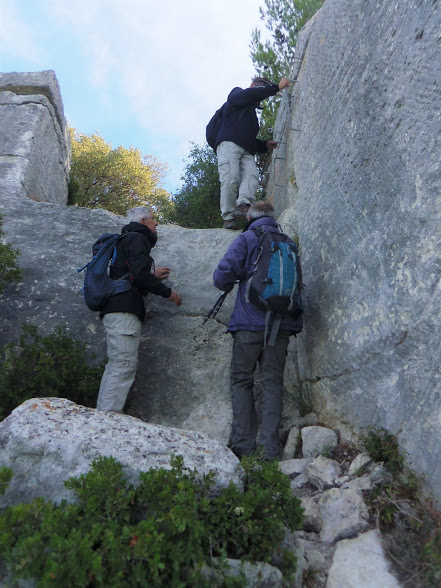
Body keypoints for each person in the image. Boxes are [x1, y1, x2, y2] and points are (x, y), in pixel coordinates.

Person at [213, 201, 303, 459]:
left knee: (242, 381)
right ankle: (270, 450)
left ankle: (243, 447)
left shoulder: (247, 238)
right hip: (281, 326)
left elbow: (221, 278)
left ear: (250, 216)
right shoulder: (288, 243)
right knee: (273, 384)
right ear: (272, 217)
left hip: (249, 325)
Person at [96, 206, 182, 413]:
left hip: (116, 308)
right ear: (143, 221)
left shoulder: (126, 239)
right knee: (123, 364)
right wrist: (167, 293)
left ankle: (103, 415)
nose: (156, 224)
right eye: (153, 220)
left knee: (117, 363)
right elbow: (138, 276)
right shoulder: (137, 238)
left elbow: (132, 273)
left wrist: (152, 274)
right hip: (124, 309)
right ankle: (106, 419)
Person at [214, 76, 290, 230]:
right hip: (228, 143)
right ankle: (228, 218)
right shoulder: (237, 94)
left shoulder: (252, 117)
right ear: (252, 85)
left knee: (252, 176)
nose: (260, 95)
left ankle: (243, 205)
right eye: (260, 88)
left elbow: (248, 138)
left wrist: (264, 145)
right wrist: (275, 88)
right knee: (231, 177)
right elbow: (246, 96)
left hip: (246, 149)